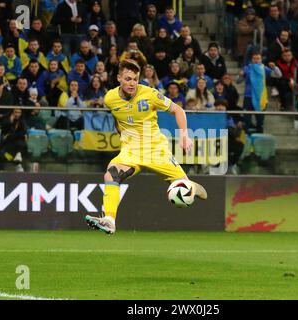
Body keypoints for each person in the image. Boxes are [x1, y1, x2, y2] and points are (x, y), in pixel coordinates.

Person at [85, 59, 207, 235]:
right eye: (128, 79)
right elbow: (118, 120)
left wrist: (184, 135)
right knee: (111, 174)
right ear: (119, 78)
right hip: (131, 152)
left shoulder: (150, 94)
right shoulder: (110, 98)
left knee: (186, 187)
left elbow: (178, 110)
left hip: (157, 151)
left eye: (135, 79)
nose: (132, 83)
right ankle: (110, 221)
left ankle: (194, 188)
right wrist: (122, 134)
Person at [238, 51, 282, 133]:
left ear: (261, 59)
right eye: (254, 58)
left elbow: (278, 75)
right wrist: (240, 75)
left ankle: (259, 140)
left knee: (260, 121)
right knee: (246, 120)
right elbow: (238, 81)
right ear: (251, 59)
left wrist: (275, 67)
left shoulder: (264, 68)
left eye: (258, 58)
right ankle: (246, 140)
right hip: (248, 97)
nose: (256, 60)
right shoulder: (247, 68)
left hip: (261, 97)